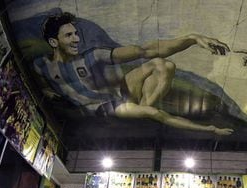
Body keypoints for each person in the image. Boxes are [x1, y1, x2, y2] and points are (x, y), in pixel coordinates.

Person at [34, 12, 233, 136]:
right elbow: (42, 85)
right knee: (154, 113)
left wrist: (192, 38)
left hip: (117, 97)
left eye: (76, 33)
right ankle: (144, 111)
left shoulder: (92, 56)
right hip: (104, 109)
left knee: (164, 65)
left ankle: (143, 107)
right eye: (69, 35)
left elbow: (144, 50)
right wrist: (209, 129)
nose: (76, 39)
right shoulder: (41, 65)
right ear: (53, 42)